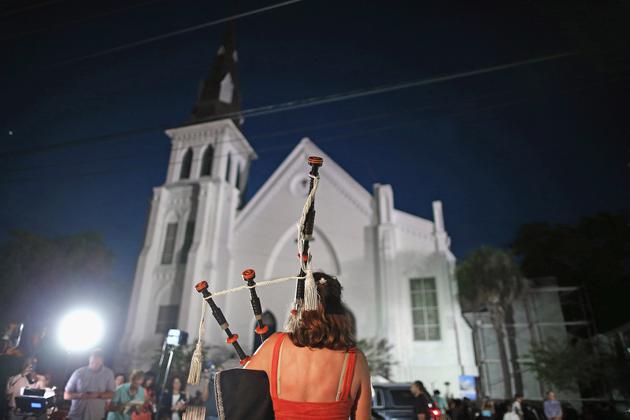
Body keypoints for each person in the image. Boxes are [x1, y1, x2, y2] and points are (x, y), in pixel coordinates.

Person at [245, 272, 371, 420]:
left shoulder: (273, 346)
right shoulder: (355, 360)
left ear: (298, 306)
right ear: (339, 311)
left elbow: (242, 395)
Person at [64, 349, 116, 420]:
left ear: (102, 361)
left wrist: (97, 395)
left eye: (97, 362)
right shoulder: (78, 372)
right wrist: (79, 395)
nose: (94, 364)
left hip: (96, 416)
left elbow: (112, 394)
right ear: (89, 359)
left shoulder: (108, 374)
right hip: (76, 415)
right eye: (92, 362)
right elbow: (66, 395)